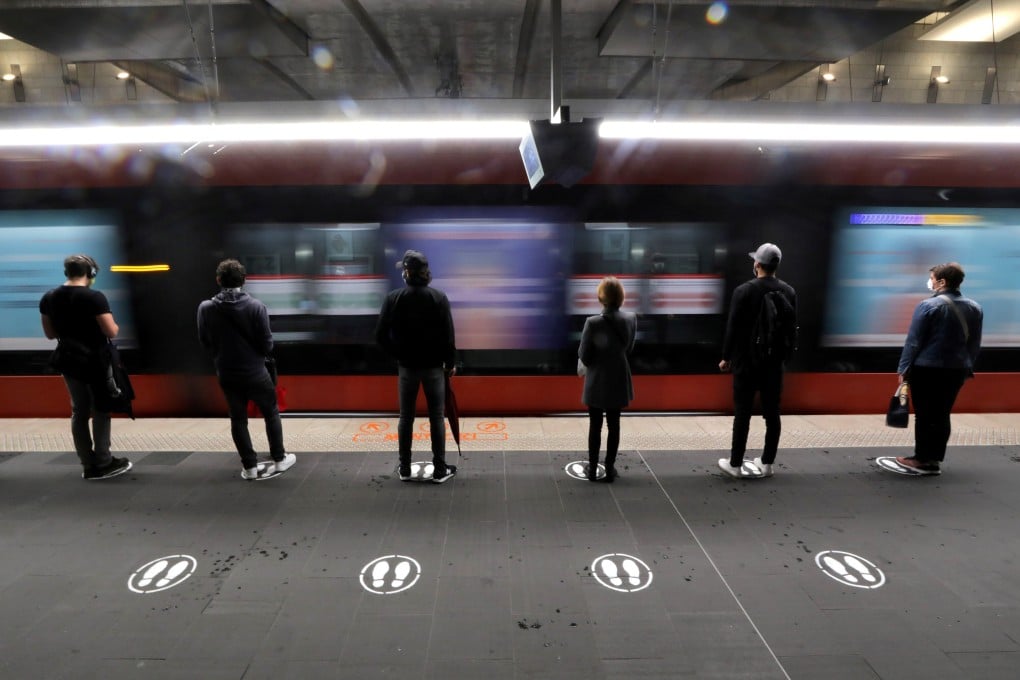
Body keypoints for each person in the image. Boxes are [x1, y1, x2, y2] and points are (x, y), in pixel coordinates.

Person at [197, 259, 295, 481]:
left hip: (227, 373)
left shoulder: (205, 308)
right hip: (256, 372)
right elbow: (267, 345)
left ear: (218, 280)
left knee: (238, 419)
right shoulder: (256, 307)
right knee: (271, 413)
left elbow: (205, 342)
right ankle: (279, 460)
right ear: (244, 281)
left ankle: (250, 467)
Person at [39, 254, 132, 480]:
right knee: (101, 408)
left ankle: (87, 463)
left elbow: (50, 334)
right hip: (95, 361)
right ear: (91, 274)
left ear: (66, 272)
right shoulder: (94, 298)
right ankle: (104, 462)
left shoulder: (49, 297)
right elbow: (111, 331)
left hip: (69, 361)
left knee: (79, 411)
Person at [375, 250, 458, 483]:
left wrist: (398, 355)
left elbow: (380, 335)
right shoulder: (438, 297)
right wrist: (450, 363)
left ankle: (404, 469)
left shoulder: (393, 298)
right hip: (434, 368)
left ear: (407, 273)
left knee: (406, 417)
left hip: (407, 368)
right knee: (436, 417)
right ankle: (440, 470)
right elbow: (448, 336)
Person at [718, 243, 797, 479]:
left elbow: (733, 328)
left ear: (757, 264)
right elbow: (792, 329)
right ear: (776, 266)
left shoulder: (744, 291)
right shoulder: (789, 292)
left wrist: (726, 357)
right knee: (772, 413)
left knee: (743, 413)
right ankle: (767, 462)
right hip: (774, 363)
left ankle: (735, 464)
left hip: (747, 362)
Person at [895, 262, 983, 475]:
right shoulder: (975, 307)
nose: (930, 282)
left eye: (933, 278)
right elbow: (974, 343)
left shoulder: (928, 306)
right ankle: (934, 459)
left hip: (927, 368)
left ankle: (922, 459)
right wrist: (967, 367)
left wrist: (903, 368)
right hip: (956, 369)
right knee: (942, 413)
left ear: (942, 282)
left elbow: (914, 342)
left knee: (924, 414)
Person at [578, 276, 637, 483]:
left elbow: (584, 356)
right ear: (621, 297)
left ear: (601, 297)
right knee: (614, 425)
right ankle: (610, 468)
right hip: (619, 378)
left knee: (595, 425)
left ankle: (593, 469)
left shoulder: (592, 323)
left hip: (597, 381)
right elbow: (628, 349)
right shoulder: (631, 319)